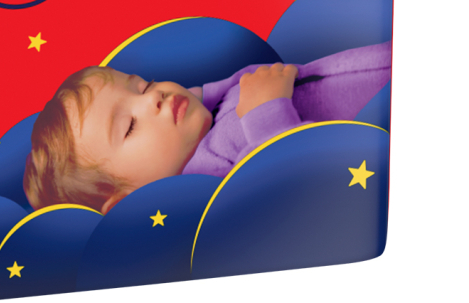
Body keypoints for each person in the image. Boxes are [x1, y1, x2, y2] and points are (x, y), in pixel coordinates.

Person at [23, 42, 390, 213]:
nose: (153, 99)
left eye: (143, 86)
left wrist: (201, 96)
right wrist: (266, 111)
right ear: (132, 200)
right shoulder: (210, 179)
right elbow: (287, 187)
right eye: (130, 126)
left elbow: (237, 84)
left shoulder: (212, 111)